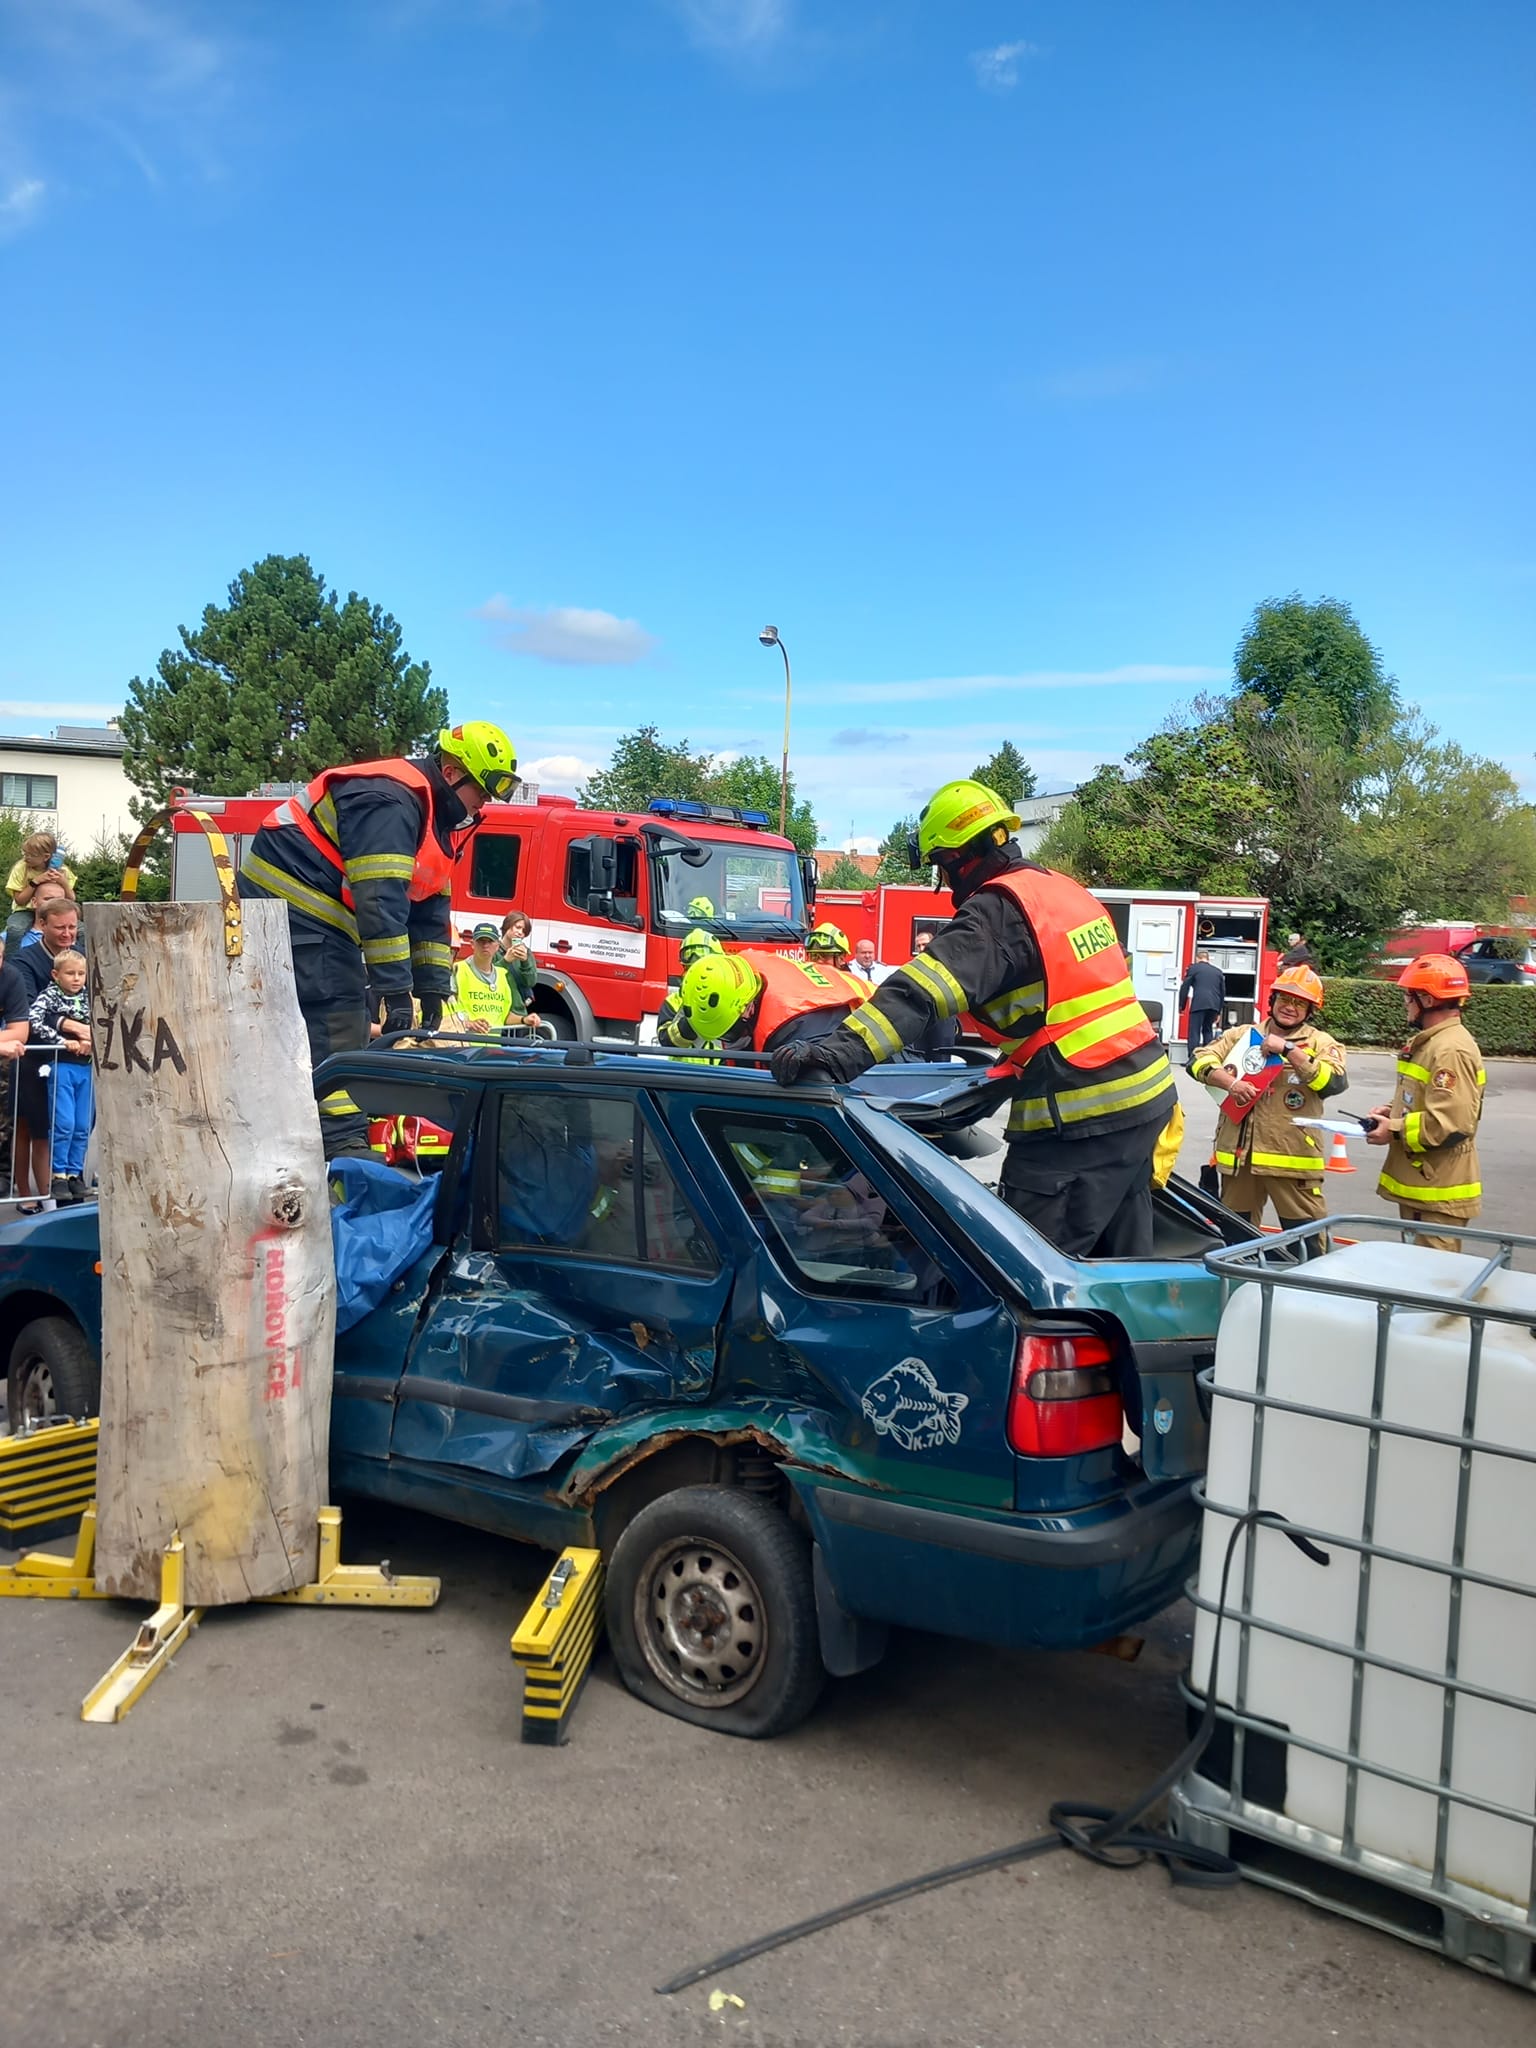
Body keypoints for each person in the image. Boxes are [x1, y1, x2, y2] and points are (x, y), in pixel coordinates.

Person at [769, 778, 1176, 1258]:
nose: (945, 883)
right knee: (1119, 1258)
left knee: (1023, 1264)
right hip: (1145, 1097)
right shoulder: (1061, 889)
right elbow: (1084, 991)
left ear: (956, 857)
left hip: (1081, 1113)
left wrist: (833, 1057)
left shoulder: (998, 911)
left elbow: (918, 994)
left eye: (940, 866)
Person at [238, 721, 518, 1157]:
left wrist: (432, 989)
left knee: (338, 1010)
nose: (483, 804)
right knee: (338, 1013)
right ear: (450, 773)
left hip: (324, 912)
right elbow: (380, 900)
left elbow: (429, 913)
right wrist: (395, 991)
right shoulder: (391, 800)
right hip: (291, 905)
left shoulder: (435, 820)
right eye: (480, 792)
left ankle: (334, 1128)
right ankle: (339, 1142)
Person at [1190, 966, 1347, 1232]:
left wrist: (1289, 1050)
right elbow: (1197, 1061)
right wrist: (1230, 1083)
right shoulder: (1241, 1035)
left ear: (1310, 1010)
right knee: (1236, 1240)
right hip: (1240, 1162)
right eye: (1285, 998)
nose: (1290, 1007)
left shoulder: (1321, 1043)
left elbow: (1334, 1082)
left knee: (1306, 1242)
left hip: (1292, 1163)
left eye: (1300, 1003)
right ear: (1272, 1000)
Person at [1365, 953, 1485, 1253]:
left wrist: (1393, 1129)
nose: (1406, 1003)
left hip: (1437, 1193)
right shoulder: (1435, 1043)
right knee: (1416, 1271)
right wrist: (1391, 1111)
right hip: (1426, 1187)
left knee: (1432, 1276)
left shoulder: (1450, 1050)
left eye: (1409, 996)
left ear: (1428, 1000)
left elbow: (1450, 1123)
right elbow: (1427, 1099)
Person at [11, 897, 83, 1204]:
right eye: (60, 928)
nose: (67, 934)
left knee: (71, 1125)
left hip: (73, 1057)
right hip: (33, 1054)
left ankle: (62, 1188)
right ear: (42, 925)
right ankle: (28, 1194)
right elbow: (27, 1009)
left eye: (72, 927)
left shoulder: (80, 957)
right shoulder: (24, 961)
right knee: (31, 1125)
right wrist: (72, 1025)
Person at [675, 950, 863, 1058]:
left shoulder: (792, 1029)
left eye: (728, 1034)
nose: (725, 1040)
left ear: (747, 1009)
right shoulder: (738, 970)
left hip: (870, 1016)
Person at [27, 947, 92, 1205]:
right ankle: (59, 1175)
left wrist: (91, 1042)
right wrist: (62, 1041)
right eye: (70, 973)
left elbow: (104, 1021)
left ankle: (75, 1173)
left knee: (82, 1125)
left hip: (86, 1066)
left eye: (81, 974)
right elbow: (34, 1019)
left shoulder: (89, 995)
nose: (76, 979)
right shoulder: (50, 995)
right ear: (56, 975)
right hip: (62, 1064)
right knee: (64, 1122)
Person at [5, 833, 75, 951]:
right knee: (15, 930)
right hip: (25, 910)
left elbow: (71, 899)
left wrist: (63, 882)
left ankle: (78, 959)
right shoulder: (21, 868)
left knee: (81, 931)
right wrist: (35, 881)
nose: (26, 857)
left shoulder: (62, 870)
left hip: (56, 911)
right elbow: (20, 901)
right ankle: (12, 960)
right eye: (25, 853)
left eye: (31, 855)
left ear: (46, 857)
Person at [657, 928, 723, 1049]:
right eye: (690, 969)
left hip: (721, 1062)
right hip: (685, 1062)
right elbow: (665, 1041)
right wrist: (693, 1017)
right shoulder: (673, 1002)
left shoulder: (731, 997)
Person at [450, 922, 518, 1037]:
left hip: (494, 1045)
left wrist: (525, 1019)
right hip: (465, 1044)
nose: (485, 945)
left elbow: (505, 1015)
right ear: (472, 944)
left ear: (497, 946)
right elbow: (446, 1008)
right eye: (481, 941)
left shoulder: (502, 975)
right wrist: (467, 1023)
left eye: (490, 941)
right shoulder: (458, 969)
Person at [1178, 950, 1227, 1064]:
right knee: (1208, 1030)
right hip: (1214, 1005)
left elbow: (1185, 987)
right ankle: (1208, 1059)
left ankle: (1192, 1060)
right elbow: (1222, 992)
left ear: (1197, 958)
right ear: (1208, 959)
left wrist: (1182, 1005)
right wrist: (1219, 1011)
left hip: (1199, 1003)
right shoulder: (1218, 972)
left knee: (1194, 1031)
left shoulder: (1194, 968)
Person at [496, 911, 538, 1011]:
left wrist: (525, 962)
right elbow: (488, 977)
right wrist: (505, 961)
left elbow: (531, 982)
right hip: (497, 1005)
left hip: (517, 1009)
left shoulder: (526, 952)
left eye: (524, 931)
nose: (520, 933)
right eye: (518, 927)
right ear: (507, 925)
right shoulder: (494, 949)